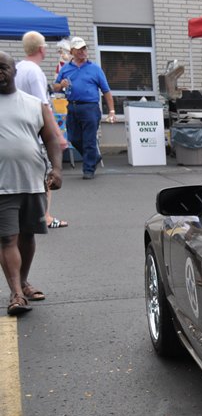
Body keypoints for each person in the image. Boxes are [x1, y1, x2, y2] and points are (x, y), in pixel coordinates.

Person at [0, 50, 64, 315]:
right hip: (2, 186)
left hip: (32, 181)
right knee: (7, 238)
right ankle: (16, 293)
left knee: (27, 235)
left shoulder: (34, 103)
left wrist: (57, 169)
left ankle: (23, 282)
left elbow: (51, 138)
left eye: (3, 67)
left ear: (15, 70)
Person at [16, 31, 67, 228]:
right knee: (47, 174)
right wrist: (58, 134)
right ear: (41, 48)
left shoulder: (17, 68)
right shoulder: (35, 72)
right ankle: (44, 216)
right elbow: (44, 106)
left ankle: (23, 213)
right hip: (36, 132)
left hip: (19, 130)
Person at [53, 37, 115, 180]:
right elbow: (55, 87)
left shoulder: (95, 69)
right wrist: (61, 84)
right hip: (72, 106)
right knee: (74, 139)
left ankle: (88, 169)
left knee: (89, 140)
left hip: (90, 108)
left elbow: (106, 91)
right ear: (72, 51)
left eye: (84, 48)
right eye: (79, 49)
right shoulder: (66, 68)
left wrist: (111, 111)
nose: (83, 52)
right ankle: (94, 157)